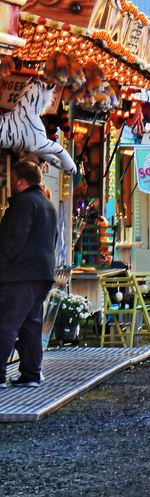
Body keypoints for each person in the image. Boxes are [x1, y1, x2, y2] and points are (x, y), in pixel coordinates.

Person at [0, 161, 58, 387]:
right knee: (30, 325)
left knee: (6, 323)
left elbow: (13, 241)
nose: (10, 182)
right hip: (42, 273)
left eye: (12, 178)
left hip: (20, 274)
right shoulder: (47, 204)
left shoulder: (24, 203)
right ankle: (31, 373)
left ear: (20, 180)